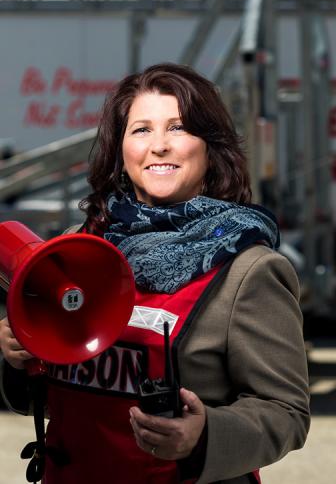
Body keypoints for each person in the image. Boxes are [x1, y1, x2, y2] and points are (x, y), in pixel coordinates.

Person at [0, 63, 310, 483]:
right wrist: (18, 357)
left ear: (210, 147)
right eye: (141, 129)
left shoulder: (248, 270)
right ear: (120, 149)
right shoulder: (79, 247)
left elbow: (286, 412)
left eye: (178, 128)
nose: (159, 146)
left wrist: (203, 437)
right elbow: (44, 396)